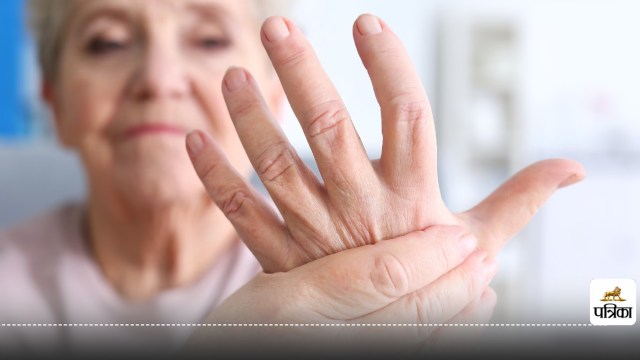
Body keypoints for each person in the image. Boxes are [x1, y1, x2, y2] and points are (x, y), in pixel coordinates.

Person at [0, 0, 584, 357]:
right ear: (54, 102)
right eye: (108, 42)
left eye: (207, 38)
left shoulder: (346, 269)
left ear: (273, 94)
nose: (158, 78)